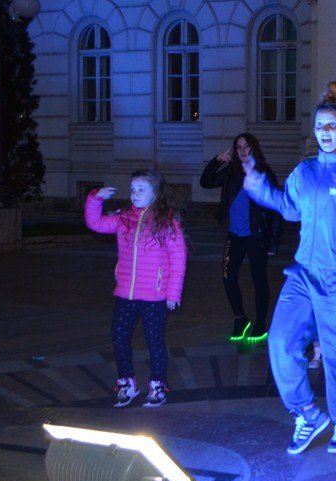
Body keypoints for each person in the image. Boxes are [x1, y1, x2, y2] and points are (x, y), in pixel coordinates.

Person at [243, 82, 336, 455]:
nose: (325, 132)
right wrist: (259, 189)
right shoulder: (305, 170)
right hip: (303, 273)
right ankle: (308, 413)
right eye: (320, 126)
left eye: (332, 126)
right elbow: (290, 209)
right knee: (280, 342)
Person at [85, 169, 187, 409]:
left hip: (154, 295)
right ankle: (127, 384)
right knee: (119, 337)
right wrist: (95, 199)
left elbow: (178, 258)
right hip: (125, 294)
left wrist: (173, 292)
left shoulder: (167, 222)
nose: (135, 194)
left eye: (141, 190)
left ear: (155, 194)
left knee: (154, 341)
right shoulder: (123, 219)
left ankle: (158, 385)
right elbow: (95, 223)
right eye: (132, 189)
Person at [199, 133, 282, 342]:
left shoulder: (264, 173)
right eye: (239, 147)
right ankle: (240, 318)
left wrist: (273, 241)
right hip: (234, 235)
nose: (243, 151)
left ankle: (260, 323)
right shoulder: (231, 171)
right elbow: (206, 182)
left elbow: (276, 208)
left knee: (259, 280)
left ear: (253, 148)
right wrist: (216, 161)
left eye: (246, 146)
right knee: (228, 277)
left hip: (256, 236)